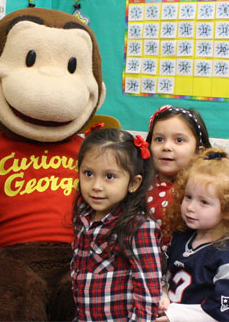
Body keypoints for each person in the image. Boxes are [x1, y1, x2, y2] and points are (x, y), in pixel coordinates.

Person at [157, 149, 229, 322]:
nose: (191, 207)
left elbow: (228, 313)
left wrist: (173, 316)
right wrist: (162, 292)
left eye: (204, 202)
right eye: (188, 197)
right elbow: (163, 272)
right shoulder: (181, 236)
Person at [71, 128, 162, 321]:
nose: (96, 185)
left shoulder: (139, 227)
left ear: (133, 183)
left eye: (109, 177)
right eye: (88, 173)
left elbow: (148, 290)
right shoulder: (83, 217)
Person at [146, 105, 212, 235]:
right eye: (159, 139)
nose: (166, 147)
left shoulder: (203, 192)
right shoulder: (139, 183)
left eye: (179, 140)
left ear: (199, 152)